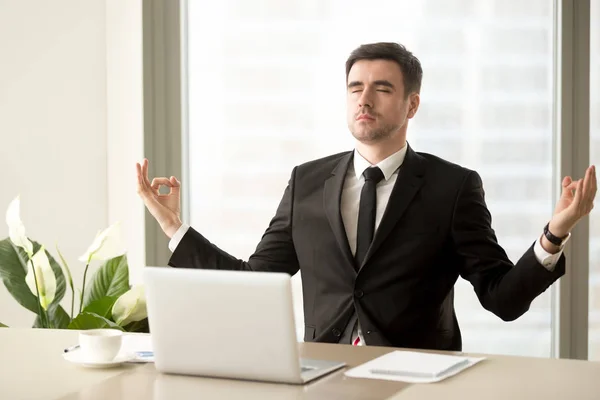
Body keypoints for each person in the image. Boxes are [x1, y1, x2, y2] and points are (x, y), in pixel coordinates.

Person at [136, 42, 596, 351]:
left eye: (382, 88)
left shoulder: (452, 187)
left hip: (418, 380)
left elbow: (502, 299)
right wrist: (174, 228)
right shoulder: (306, 182)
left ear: (411, 104)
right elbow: (253, 283)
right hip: (321, 377)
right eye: (356, 87)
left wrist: (555, 233)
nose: (364, 100)